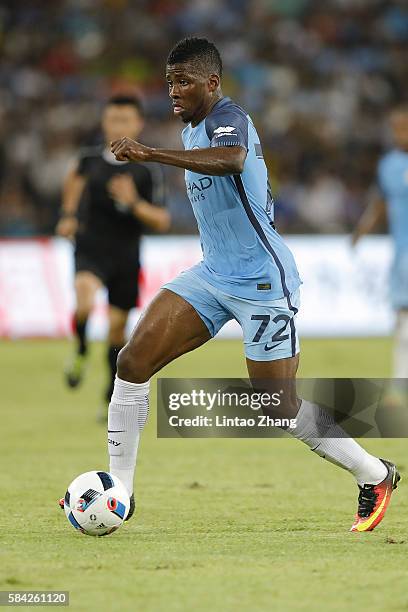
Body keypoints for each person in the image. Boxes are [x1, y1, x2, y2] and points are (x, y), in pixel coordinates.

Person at [61, 38, 399, 531]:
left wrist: (150, 153)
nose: (173, 91)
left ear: (211, 83)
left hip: (263, 281)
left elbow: (233, 159)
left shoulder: (227, 116)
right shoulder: (195, 127)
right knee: (131, 362)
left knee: (278, 406)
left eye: (184, 82)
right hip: (212, 274)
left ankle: (374, 474)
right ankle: (121, 491)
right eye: (169, 81)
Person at [56, 95, 170, 417]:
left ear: (138, 124)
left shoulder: (147, 171)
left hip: (126, 255)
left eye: (124, 120)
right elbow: (74, 181)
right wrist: (67, 214)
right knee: (84, 302)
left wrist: (133, 202)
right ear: (104, 122)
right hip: (90, 248)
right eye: (112, 119)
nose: (117, 126)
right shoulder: (89, 160)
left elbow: (162, 221)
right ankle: (79, 348)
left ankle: (109, 395)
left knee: (118, 331)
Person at [353, 107, 408, 384]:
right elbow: (380, 204)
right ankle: (401, 378)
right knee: (402, 317)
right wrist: (361, 231)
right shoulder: (389, 165)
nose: (400, 134)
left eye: (404, 128)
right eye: (396, 129)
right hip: (403, 254)